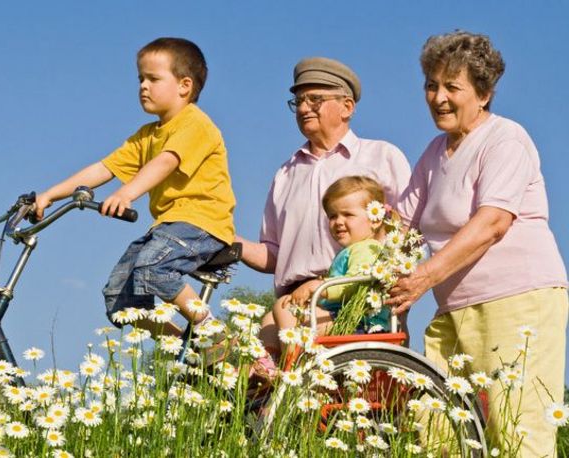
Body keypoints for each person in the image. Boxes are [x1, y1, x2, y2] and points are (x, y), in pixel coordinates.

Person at [388, 31, 568, 457]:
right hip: (454, 308)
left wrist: (422, 277)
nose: (438, 98)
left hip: (517, 301)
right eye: (431, 85)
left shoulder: (505, 138)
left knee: (517, 428)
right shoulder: (434, 153)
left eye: (452, 87)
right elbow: (400, 226)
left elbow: (492, 222)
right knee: (436, 428)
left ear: (484, 93)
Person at [31, 37, 235, 338]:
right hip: (168, 227)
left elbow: (167, 161)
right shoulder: (146, 135)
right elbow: (103, 168)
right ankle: (180, 344)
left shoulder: (195, 124)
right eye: (140, 78)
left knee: (153, 268)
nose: (143, 86)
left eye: (153, 78)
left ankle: (213, 331)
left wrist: (127, 193)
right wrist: (50, 194)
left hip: (201, 223)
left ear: (184, 86)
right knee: (119, 300)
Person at [237, 57, 411, 377]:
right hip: (297, 300)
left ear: (346, 106)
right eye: (299, 101)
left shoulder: (382, 157)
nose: (304, 108)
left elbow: (407, 233)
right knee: (259, 346)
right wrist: (231, 243)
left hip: (356, 296)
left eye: (315, 99)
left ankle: (292, 378)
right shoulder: (286, 174)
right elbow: (273, 253)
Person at [273, 175, 392, 347]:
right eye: (332, 216)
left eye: (348, 215)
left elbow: (354, 283)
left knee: (284, 309)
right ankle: (268, 362)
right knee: (274, 316)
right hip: (342, 318)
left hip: (358, 324)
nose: (338, 222)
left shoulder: (367, 249)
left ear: (375, 219)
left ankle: (293, 365)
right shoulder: (351, 250)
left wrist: (317, 287)